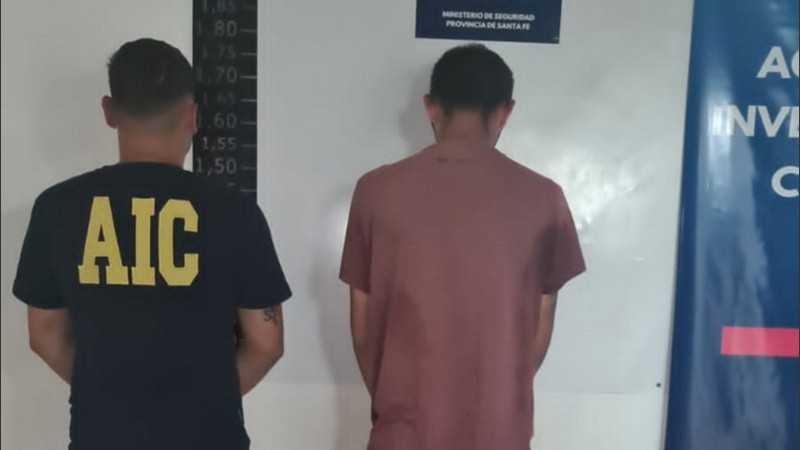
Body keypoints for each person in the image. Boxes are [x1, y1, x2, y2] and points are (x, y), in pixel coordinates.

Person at [13, 38, 291, 450]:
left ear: (109, 111)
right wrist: (200, 404)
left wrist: (117, 400)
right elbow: (266, 343)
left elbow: (44, 336)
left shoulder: (55, 208)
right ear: (191, 116)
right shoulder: (236, 213)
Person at [339, 43, 585, 450]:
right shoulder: (545, 198)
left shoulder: (375, 191)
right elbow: (537, 334)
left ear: (430, 107)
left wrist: (399, 405)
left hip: (403, 433)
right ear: (505, 112)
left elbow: (362, 328)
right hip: (499, 434)